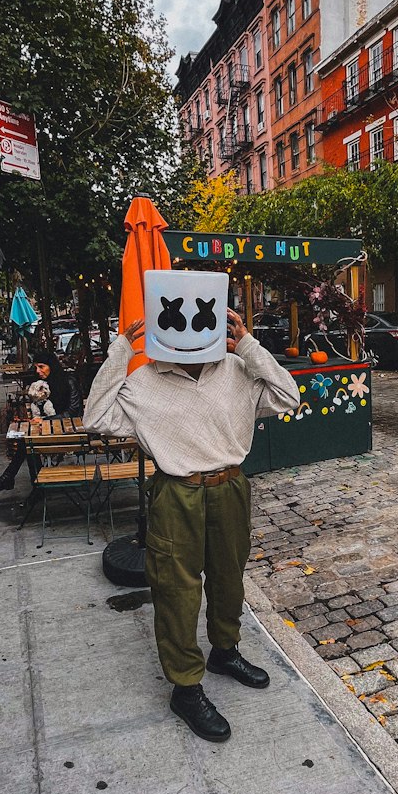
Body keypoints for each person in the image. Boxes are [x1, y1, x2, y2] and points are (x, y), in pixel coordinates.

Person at [83, 308, 300, 742]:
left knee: (228, 578)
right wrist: (122, 349)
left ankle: (224, 651)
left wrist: (250, 344)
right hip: (175, 492)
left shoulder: (239, 369)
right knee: (177, 589)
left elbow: (289, 397)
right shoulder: (143, 382)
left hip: (230, 486)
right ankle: (185, 687)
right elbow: (95, 418)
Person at [0, 351, 76, 492]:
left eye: (42, 366)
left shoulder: (68, 381)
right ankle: (31, 486)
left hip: (68, 433)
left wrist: (46, 420)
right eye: (36, 367)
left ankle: (20, 482)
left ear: (51, 366)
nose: (38, 371)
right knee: (27, 442)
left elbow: (74, 411)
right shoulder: (43, 384)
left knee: (28, 443)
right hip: (47, 431)